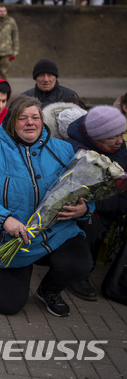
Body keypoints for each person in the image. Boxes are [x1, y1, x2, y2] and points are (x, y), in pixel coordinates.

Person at [0, 95, 93, 317]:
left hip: (52, 232)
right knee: (8, 305)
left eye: (35, 117)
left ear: (42, 121)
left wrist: (86, 208)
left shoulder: (63, 150)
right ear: (11, 121)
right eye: (22, 118)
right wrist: (5, 219)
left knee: (80, 263)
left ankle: (48, 290)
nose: (30, 122)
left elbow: (83, 186)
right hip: (6, 237)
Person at [65, 105, 127, 301]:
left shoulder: (119, 147)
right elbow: (73, 192)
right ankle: (78, 274)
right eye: (112, 137)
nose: (119, 141)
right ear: (96, 136)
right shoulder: (76, 151)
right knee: (90, 222)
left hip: (116, 202)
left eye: (122, 134)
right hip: (88, 207)